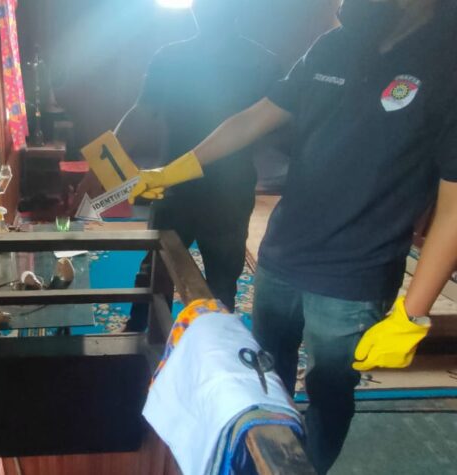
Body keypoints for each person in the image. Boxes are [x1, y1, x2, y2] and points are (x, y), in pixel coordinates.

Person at [129, 0, 457, 472]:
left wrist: (413, 312)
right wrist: (176, 169)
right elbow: (254, 117)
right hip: (282, 255)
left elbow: (452, 205)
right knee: (262, 375)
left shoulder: (447, 63)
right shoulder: (335, 44)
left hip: (354, 278)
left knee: (329, 391)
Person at [105, 0, 283, 331]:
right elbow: (141, 111)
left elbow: (274, 126)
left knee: (221, 277)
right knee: (155, 266)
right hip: (173, 185)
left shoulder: (263, 64)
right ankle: (139, 331)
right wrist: (101, 167)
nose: (207, 10)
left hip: (229, 193)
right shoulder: (169, 57)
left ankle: (212, 343)